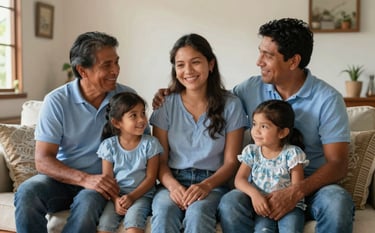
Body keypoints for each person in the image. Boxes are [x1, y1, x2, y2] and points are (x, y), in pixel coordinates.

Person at [153, 18, 354, 233]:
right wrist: (169, 93)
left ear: (293, 61)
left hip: (313, 186)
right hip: (260, 186)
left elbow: (338, 163)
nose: (259, 61)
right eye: (260, 53)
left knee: (337, 202)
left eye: (268, 56)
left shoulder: (328, 99)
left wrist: (295, 192)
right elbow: (210, 96)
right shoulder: (248, 90)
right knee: (230, 203)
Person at [14, 31, 139, 233]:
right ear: (83, 70)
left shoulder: (127, 98)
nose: (115, 70)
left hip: (103, 183)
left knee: (87, 203)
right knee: (28, 192)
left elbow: (144, 146)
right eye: (107, 65)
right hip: (61, 180)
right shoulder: (56, 101)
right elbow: (43, 159)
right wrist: (84, 179)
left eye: (116, 62)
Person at [149, 33, 248, 233]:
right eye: (180, 65)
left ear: (210, 64)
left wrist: (206, 186)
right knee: (165, 210)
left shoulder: (231, 104)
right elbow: (159, 160)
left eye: (195, 62)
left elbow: (231, 162)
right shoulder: (165, 104)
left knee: (198, 212)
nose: (188, 71)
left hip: (213, 183)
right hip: (173, 180)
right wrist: (174, 187)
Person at [235, 99, 309, 233]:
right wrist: (255, 195)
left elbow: (296, 187)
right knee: (263, 230)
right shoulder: (251, 152)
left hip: (290, 207)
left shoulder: (292, 154)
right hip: (263, 207)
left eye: (264, 126)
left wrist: (284, 201)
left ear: (282, 133)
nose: (256, 131)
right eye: (254, 124)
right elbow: (239, 179)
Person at [97, 92, 163, 233]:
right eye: (134, 115)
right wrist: (115, 199)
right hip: (116, 196)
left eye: (143, 113)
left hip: (141, 195)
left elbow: (151, 178)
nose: (141, 120)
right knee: (104, 227)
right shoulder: (108, 146)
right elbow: (107, 179)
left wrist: (132, 197)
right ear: (116, 122)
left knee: (134, 227)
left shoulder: (151, 144)